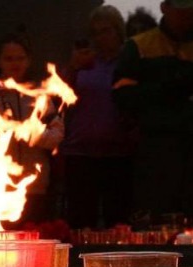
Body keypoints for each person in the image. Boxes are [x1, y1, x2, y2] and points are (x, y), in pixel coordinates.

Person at [113, 0, 193, 219]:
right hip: (156, 151)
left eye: (190, 12)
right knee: (156, 219)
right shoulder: (139, 47)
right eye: (181, 11)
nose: (186, 17)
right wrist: (166, 89)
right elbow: (122, 96)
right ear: (165, 8)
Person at [0, 31, 64, 223]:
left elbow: (58, 134)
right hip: (0, 185)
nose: (15, 64)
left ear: (28, 60)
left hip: (36, 185)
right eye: (9, 59)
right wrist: (1, 140)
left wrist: (34, 134)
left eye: (20, 58)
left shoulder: (40, 95)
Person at [60, 5, 135, 229]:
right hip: (80, 152)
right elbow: (56, 97)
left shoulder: (128, 63)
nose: (101, 37)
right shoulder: (84, 63)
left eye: (106, 31)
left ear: (118, 31)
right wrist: (73, 67)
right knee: (80, 222)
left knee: (118, 222)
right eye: (95, 33)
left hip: (118, 154)